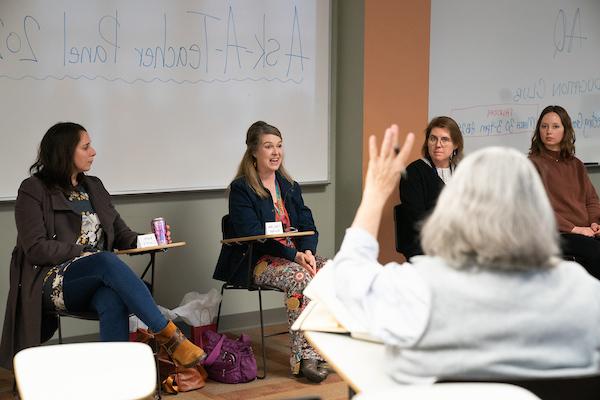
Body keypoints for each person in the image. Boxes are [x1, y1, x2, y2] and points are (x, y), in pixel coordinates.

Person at [329, 125, 600, 383]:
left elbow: (347, 284)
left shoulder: (422, 287)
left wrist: (375, 194)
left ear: (457, 209)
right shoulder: (581, 290)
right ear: (538, 210)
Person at [0, 122, 205, 370]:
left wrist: (152, 240)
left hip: (94, 277)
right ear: (65, 151)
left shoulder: (94, 186)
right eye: (86, 147)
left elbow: (120, 234)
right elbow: (35, 248)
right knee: (104, 260)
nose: (93, 152)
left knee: (112, 298)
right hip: (50, 280)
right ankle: (168, 334)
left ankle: (114, 378)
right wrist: (86, 253)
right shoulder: (33, 189)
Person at [213, 121, 329, 382]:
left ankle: (325, 349)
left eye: (279, 146)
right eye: (268, 146)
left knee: (332, 271)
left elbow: (308, 225)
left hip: (295, 257)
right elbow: (256, 236)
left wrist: (307, 252)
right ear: (254, 151)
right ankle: (305, 358)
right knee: (302, 278)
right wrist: (294, 257)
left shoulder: (289, 186)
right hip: (258, 260)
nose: (276, 152)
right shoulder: (242, 189)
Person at [528, 105, 600, 279]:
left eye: (555, 126)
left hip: (585, 231)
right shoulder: (532, 164)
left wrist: (594, 223)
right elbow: (537, 209)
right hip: (555, 234)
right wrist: (576, 229)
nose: (548, 132)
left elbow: (591, 200)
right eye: (544, 126)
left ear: (565, 130)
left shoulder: (576, 164)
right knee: (596, 253)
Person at [398, 116, 463, 258]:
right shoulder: (413, 172)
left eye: (445, 139)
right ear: (427, 142)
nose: (438, 144)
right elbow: (418, 218)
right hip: (425, 247)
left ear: (456, 144)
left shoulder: (462, 173)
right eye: (433, 139)